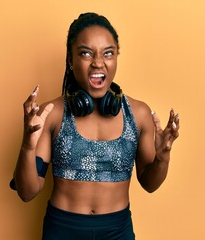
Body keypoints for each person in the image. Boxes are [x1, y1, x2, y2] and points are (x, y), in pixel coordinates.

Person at [12, 12, 179, 240]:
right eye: (85, 53)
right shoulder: (51, 114)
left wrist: (162, 158)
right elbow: (27, 192)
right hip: (62, 229)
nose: (98, 62)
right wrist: (27, 147)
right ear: (71, 60)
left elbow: (150, 184)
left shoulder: (138, 114)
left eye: (108, 53)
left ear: (117, 56)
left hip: (117, 230)